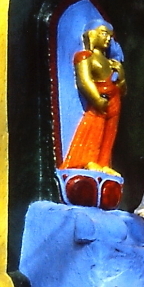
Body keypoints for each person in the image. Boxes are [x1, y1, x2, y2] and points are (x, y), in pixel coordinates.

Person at [60, 22, 125, 174]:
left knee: (110, 132)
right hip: (100, 100)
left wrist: (121, 76)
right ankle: (87, 160)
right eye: (103, 33)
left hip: (114, 100)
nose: (107, 38)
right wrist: (96, 99)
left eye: (110, 36)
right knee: (94, 128)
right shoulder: (85, 57)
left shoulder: (110, 62)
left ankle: (104, 162)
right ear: (92, 34)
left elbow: (122, 89)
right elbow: (85, 81)